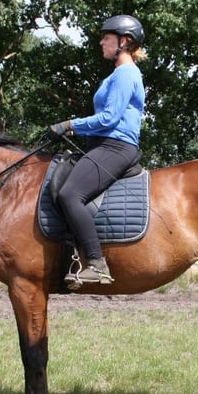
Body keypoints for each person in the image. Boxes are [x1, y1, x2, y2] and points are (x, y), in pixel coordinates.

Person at [47, 14, 147, 286]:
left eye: (107, 37)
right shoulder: (117, 74)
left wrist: (69, 124)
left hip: (116, 146)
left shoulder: (126, 74)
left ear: (124, 42)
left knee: (70, 194)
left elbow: (109, 119)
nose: (101, 42)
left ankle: (97, 263)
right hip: (103, 144)